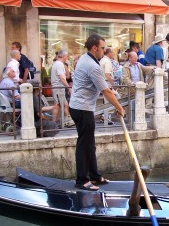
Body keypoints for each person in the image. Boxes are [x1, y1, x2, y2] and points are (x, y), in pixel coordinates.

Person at [69, 34, 125, 191]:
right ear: (94, 48)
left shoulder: (86, 59)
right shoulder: (92, 66)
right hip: (82, 108)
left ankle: (94, 176)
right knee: (84, 144)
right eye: (102, 48)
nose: (104, 50)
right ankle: (81, 180)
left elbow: (104, 87)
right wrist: (120, 108)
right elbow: (106, 92)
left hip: (81, 106)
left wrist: (112, 92)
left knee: (89, 144)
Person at [50, 49, 74, 127]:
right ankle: (53, 124)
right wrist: (69, 88)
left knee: (65, 105)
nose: (67, 58)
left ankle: (68, 121)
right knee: (57, 106)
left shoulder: (57, 64)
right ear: (63, 56)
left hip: (59, 88)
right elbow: (62, 78)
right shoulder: (59, 65)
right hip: (58, 88)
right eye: (66, 56)